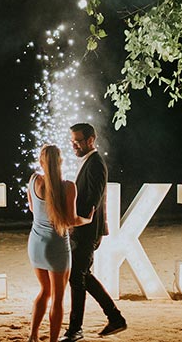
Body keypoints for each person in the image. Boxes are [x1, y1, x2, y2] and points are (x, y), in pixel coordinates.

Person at [60, 123, 126, 342]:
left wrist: (74, 221)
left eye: (78, 141)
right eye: (72, 141)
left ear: (91, 140)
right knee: (82, 275)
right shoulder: (88, 162)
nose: (74, 145)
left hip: (87, 230)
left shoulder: (96, 163)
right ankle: (115, 318)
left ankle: (76, 329)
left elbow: (92, 201)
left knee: (77, 277)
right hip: (82, 229)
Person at [27, 145, 94, 342]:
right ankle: (53, 341)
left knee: (44, 291)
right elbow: (70, 220)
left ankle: (32, 336)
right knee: (57, 297)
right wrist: (87, 220)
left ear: (41, 162)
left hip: (36, 244)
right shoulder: (68, 186)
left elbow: (33, 208)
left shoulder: (33, 180)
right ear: (61, 162)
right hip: (56, 246)